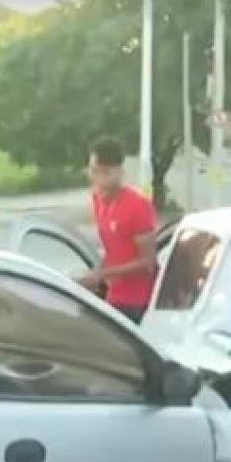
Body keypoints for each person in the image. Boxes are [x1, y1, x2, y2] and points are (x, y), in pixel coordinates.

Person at [79, 136, 159, 325]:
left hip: (137, 301)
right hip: (113, 293)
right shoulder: (97, 199)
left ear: (118, 172)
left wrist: (103, 274)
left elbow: (147, 261)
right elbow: (113, 248)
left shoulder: (138, 205)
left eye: (103, 172)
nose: (97, 177)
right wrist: (97, 273)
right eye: (93, 170)